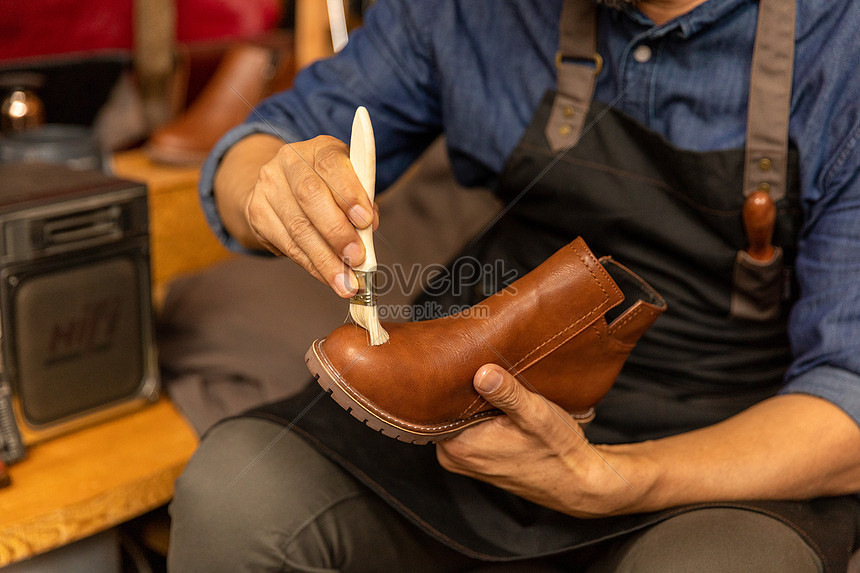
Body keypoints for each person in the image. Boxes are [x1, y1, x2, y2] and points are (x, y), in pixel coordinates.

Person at [167, 0, 860, 571]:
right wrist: (270, 182)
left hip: (720, 440)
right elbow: (263, 142)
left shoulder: (841, 42)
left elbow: (848, 397)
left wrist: (615, 480)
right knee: (239, 493)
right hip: (477, 382)